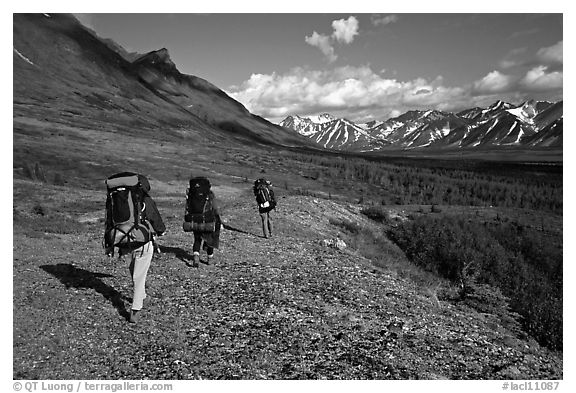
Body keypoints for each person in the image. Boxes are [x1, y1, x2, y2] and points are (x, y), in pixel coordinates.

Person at [105, 173, 166, 324]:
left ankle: (142, 295)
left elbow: (108, 221)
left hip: (123, 239)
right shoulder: (144, 199)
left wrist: (109, 245)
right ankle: (135, 310)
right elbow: (155, 218)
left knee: (134, 273)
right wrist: (161, 231)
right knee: (140, 277)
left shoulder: (115, 198)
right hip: (142, 240)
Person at [185, 177, 222, 267]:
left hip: (195, 220)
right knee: (210, 239)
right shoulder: (210, 194)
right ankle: (210, 258)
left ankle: (196, 257)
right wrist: (217, 218)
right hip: (207, 220)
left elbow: (187, 208)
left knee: (197, 239)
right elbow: (215, 208)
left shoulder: (191, 194)